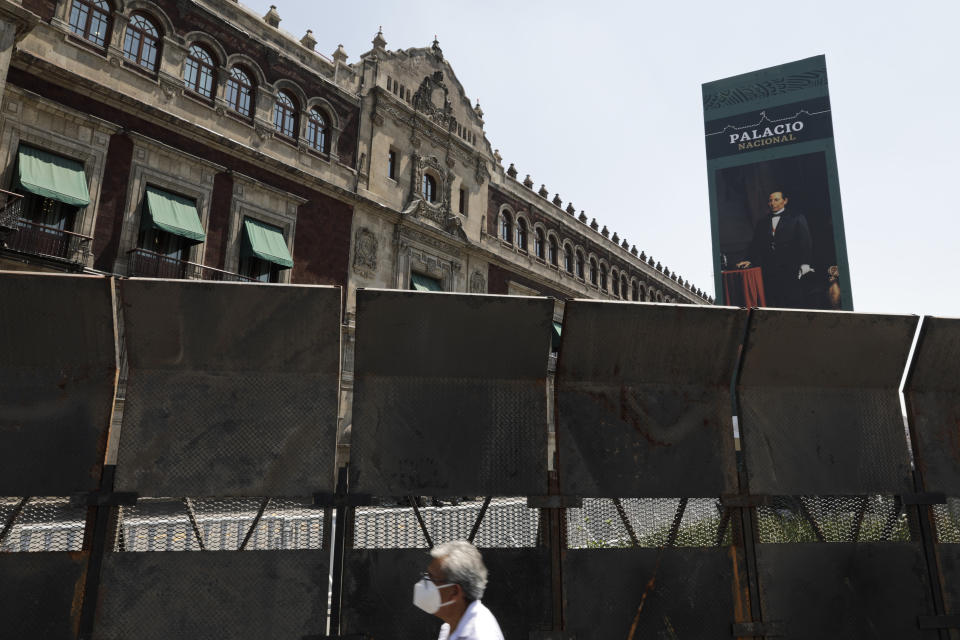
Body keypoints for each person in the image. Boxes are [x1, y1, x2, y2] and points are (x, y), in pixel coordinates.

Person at [735, 189, 813, 308]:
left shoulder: (796, 217)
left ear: (785, 201)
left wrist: (805, 264)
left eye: (776, 200)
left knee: (793, 302)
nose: (772, 203)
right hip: (769, 269)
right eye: (770, 200)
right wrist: (749, 259)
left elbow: (805, 242)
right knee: (774, 302)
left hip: (791, 268)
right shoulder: (762, 222)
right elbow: (755, 244)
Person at [413, 540, 504, 640]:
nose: (425, 582)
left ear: (455, 591)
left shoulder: (478, 635)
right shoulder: (452, 625)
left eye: (432, 578)